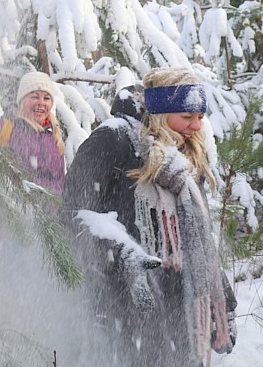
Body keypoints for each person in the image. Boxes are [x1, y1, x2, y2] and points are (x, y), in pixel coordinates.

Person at [62, 67, 236, 366]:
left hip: (180, 297)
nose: (196, 126)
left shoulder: (182, 155)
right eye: (187, 117)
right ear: (161, 111)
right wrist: (121, 253)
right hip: (122, 295)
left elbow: (196, 233)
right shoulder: (113, 139)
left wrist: (222, 295)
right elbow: (73, 213)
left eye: (200, 117)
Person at [0, 71, 65, 195]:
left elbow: (60, 184)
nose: (41, 103)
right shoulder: (3, 129)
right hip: (12, 211)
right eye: (34, 96)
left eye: (46, 98)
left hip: (49, 213)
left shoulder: (55, 138)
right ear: (22, 100)